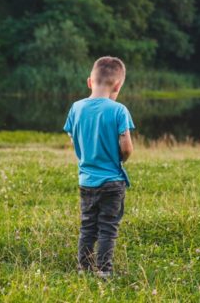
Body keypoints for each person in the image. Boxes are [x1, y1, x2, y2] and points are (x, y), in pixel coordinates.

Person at [63, 56, 135, 278]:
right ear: (118, 85)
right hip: (112, 181)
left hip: (86, 180)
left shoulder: (76, 108)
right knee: (107, 227)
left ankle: (83, 268)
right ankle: (104, 270)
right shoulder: (119, 110)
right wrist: (121, 158)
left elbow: (74, 139)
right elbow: (126, 147)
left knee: (88, 226)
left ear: (89, 82)